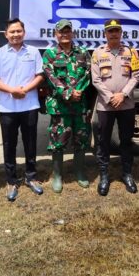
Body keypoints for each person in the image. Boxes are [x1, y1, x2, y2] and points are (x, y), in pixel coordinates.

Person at [0, 18, 44, 200]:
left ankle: (31, 177)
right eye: (12, 31)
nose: (16, 34)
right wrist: (12, 90)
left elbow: (39, 76)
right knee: (9, 145)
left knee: (30, 143)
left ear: (24, 33)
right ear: (6, 34)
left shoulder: (33, 52)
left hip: (29, 105)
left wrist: (25, 90)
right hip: (8, 107)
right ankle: (11, 181)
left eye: (19, 31)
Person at [91, 19, 139, 196]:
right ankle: (104, 176)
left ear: (121, 33)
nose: (113, 34)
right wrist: (111, 97)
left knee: (126, 140)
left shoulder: (131, 52)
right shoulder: (97, 53)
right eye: (110, 31)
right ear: (105, 33)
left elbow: (136, 76)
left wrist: (123, 94)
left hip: (126, 104)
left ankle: (127, 174)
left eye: (116, 31)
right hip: (106, 105)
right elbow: (95, 79)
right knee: (103, 141)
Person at [42, 19, 91, 193]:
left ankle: (79, 172)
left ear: (72, 33)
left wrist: (78, 91)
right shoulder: (50, 54)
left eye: (67, 31)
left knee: (81, 139)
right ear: (56, 34)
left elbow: (87, 74)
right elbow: (51, 77)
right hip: (59, 106)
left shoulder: (83, 53)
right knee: (58, 140)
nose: (65, 34)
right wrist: (68, 93)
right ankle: (57, 175)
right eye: (61, 31)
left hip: (79, 106)